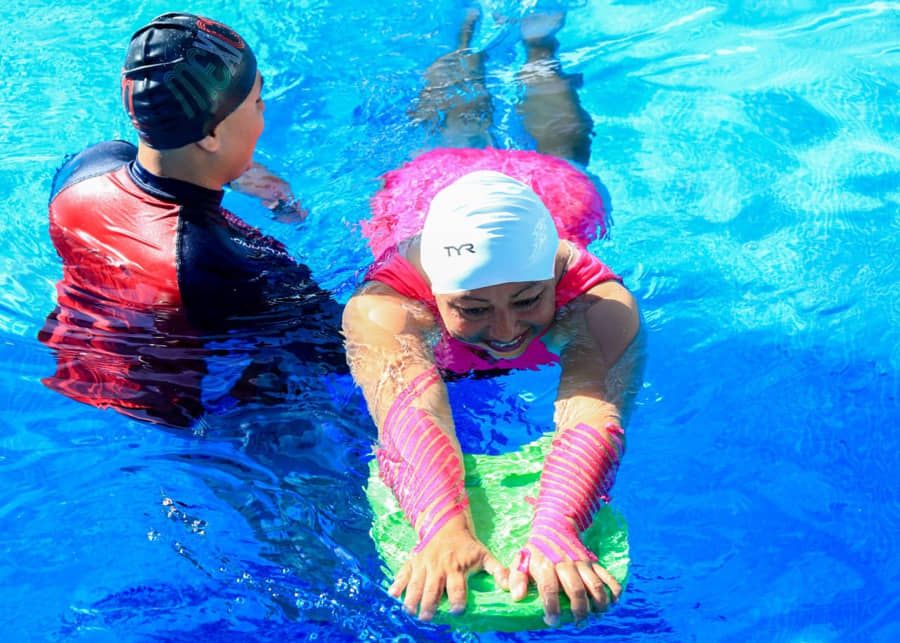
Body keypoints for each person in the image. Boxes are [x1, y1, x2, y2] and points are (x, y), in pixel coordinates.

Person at [342, 8, 644, 626]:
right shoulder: (384, 308)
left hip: (553, 191)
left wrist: (558, 524)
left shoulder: (599, 301)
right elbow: (406, 409)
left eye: (528, 300)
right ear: (434, 294)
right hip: (428, 187)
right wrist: (442, 526)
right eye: (473, 309)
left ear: (554, 275)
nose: (506, 332)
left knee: (563, 149)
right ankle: (461, 35)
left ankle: (540, 47)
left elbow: (593, 406)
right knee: (450, 128)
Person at [39, 13, 344, 429]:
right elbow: (344, 343)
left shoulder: (85, 169)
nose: (264, 112)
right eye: (257, 102)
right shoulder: (227, 263)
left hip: (67, 369)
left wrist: (231, 172)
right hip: (169, 421)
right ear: (210, 136)